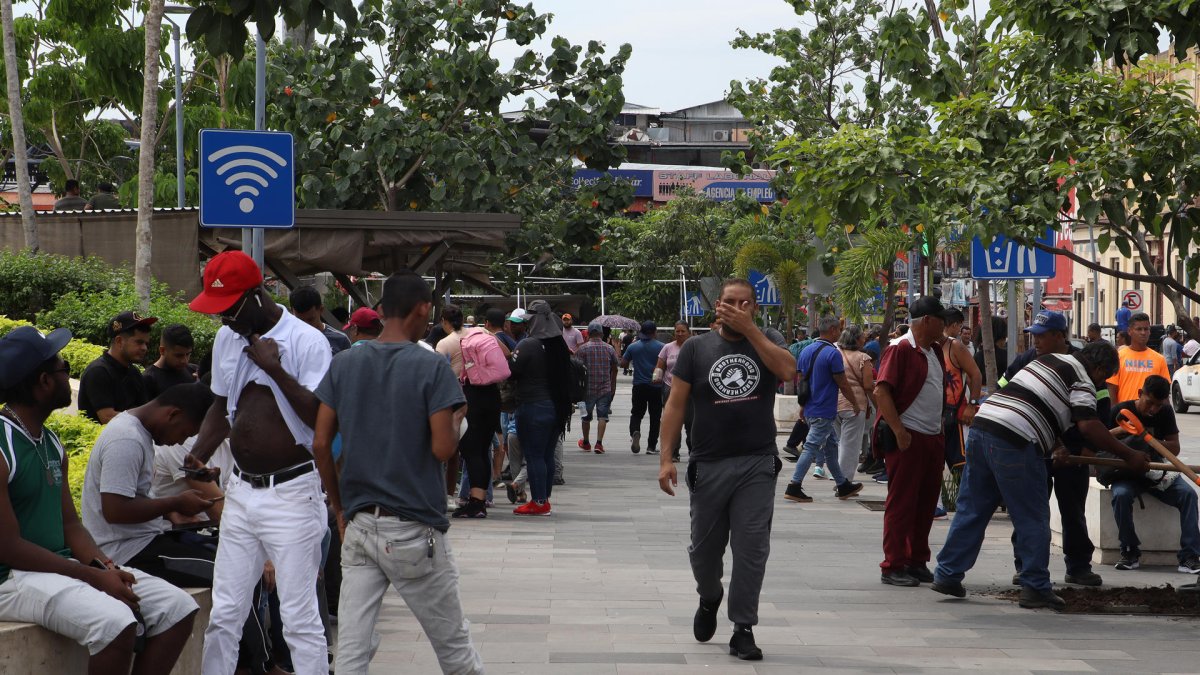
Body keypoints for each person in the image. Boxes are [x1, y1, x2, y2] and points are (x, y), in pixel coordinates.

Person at [312, 270, 483, 675]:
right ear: (422, 309)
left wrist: (339, 509)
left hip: (359, 523)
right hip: (413, 526)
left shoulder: (346, 362)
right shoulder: (431, 367)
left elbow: (320, 444)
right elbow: (443, 448)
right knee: (455, 649)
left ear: (384, 309)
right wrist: (457, 417)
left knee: (352, 651)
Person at [0, 326, 198, 673]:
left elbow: (70, 524)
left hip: (55, 569)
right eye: (64, 367)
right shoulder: (3, 446)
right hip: (11, 578)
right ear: (44, 381)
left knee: (176, 608)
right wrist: (91, 577)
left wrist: (105, 567)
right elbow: (8, 547)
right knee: (116, 623)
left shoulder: (50, 441)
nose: (70, 373)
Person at [185, 251, 333, 675]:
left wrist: (275, 370)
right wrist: (201, 449)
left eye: (230, 308)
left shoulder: (308, 341)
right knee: (225, 612)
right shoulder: (227, 338)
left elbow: (320, 418)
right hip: (241, 491)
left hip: (292, 493)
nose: (224, 319)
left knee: (299, 618)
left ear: (257, 294)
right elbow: (220, 405)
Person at [932, 341, 1151, 608]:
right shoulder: (1082, 378)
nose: (1100, 384)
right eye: (1103, 378)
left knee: (973, 508)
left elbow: (1040, 406)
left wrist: (1057, 446)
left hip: (983, 428)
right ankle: (1035, 585)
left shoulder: (1048, 361)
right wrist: (1130, 456)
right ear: (1098, 368)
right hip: (1015, 439)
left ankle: (947, 573)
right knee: (1033, 515)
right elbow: (1089, 426)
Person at [657, 278, 792, 662]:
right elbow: (675, 406)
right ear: (717, 306)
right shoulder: (696, 348)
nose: (736, 308)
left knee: (752, 550)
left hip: (757, 462)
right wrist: (666, 458)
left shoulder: (767, 339)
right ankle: (709, 595)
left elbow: (787, 371)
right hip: (708, 462)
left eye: (744, 303)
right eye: (729, 302)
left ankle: (743, 627)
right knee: (704, 552)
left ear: (754, 306)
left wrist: (752, 331)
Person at [999, 310, 1103, 587]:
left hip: (1074, 452)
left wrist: (1088, 448)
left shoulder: (1080, 362)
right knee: (1031, 511)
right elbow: (1004, 392)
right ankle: (1025, 566)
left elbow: (1098, 408)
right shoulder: (1026, 360)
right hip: (1036, 448)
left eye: (1041, 336)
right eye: (1034, 335)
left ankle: (1079, 566)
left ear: (1059, 336)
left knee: (1073, 511)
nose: (1036, 341)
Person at [871, 297, 950, 587]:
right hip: (909, 436)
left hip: (932, 435)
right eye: (941, 319)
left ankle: (916, 560)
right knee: (902, 503)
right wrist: (900, 431)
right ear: (927, 320)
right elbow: (882, 392)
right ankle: (893, 564)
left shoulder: (935, 350)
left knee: (927, 502)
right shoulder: (900, 349)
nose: (945, 324)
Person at [1102, 375, 1200, 575]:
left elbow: (1175, 448)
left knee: (1189, 495)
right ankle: (1129, 551)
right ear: (1140, 394)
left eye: (1159, 405)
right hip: (1127, 474)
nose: (1153, 409)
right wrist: (1122, 433)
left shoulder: (1165, 412)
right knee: (1120, 495)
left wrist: (1148, 439)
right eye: (1150, 403)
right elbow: (1100, 442)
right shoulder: (1120, 411)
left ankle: (1189, 556)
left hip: (1159, 473)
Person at [783, 316, 864, 503]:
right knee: (810, 447)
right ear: (834, 330)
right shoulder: (833, 353)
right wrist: (854, 403)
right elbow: (842, 383)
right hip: (824, 409)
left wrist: (802, 406)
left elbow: (802, 381)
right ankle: (794, 485)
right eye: (839, 329)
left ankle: (843, 485)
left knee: (831, 448)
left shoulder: (806, 351)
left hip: (812, 408)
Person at [437, 304, 506, 519]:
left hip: (467, 399)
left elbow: (437, 376)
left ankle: (476, 503)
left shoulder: (445, 343)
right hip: (492, 395)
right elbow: (505, 352)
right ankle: (480, 499)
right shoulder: (482, 332)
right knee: (483, 449)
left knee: (471, 452)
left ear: (444, 321)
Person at [508, 300, 572, 516]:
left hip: (533, 406)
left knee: (534, 455)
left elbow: (512, 370)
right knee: (546, 455)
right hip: (556, 408)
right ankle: (544, 499)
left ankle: (539, 501)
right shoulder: (559, 345)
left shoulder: (529, 344)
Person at [79, 311, 157, 424]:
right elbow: (107, 417)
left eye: (146, 343)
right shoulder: (98, 372)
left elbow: (145, 410)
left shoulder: (134, 372)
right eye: (139, 342)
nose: (144, 348)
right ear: (119, 341)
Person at [940, 309, 982, 475]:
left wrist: (972, 405)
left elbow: (975, 375)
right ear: (955, 324)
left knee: (959, 465)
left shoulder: (954, 346)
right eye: (959, 326)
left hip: (954, 413)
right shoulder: (928, 345)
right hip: (934, 415)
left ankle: (964, 499)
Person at [833, 325, 875, 482]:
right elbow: (869, 386)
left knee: (840, 442)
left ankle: (837, 476)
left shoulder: (836, 354)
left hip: (834, 403)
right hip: (855, 405)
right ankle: (844, 481)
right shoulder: (863, 358)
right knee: (850, 446)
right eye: (862, 336)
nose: (864, 339)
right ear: (856, 339)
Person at [622, 321, 665, 455]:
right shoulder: (662, 347)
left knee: (636, 413)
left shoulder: (633, 347)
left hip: (639, 386)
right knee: (655, 416)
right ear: (654, 332)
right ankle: (651, 446)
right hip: (656, 386)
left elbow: (623, 364)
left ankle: (635, 431)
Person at [1107, 312, 1169, 405]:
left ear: (1150, 331)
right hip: (1124, 415)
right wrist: (1115, 415)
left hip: (1151, 416)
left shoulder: (1159, 359)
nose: (1143, 333)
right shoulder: (1118, 357)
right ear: (1129, 331)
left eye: (1146, 329)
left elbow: (1164, 394)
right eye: (1139, 329)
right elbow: (1112, 390)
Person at [576, 321, 619, 454]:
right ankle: (599, 443)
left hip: (586, 389)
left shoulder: (582, 349)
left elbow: (577, 369)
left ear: (588, 333)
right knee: (602, 416)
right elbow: (615, 367)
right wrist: (613, 385)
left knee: (585, 416)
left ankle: (586, 442)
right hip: (604, 387)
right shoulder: (609, 348)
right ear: (601, 333)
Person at [655, 321, 693, 462]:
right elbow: (660, 365)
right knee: (673, 420)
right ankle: (674, 453)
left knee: (691, 421)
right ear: (674, 332)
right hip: (670, 386)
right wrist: (656, 376)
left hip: (690, 389)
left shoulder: (694, 346)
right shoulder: (667, 348)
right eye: (678, 331)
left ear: (688, 332)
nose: (680, 334)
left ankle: (693, 451)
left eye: (683, 331)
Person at [142, 323, 199, 399]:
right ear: (162, 350)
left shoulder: (194, 371)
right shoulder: (149, 379)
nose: (184, 361)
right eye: (178, 355)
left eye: (188, 354)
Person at [291, 286, 352, 356]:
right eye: (300, 320)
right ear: (292, 312)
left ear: (321, 310)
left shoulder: (340, 340)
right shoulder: (287, 340)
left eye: (310, 319)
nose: (306, 325)